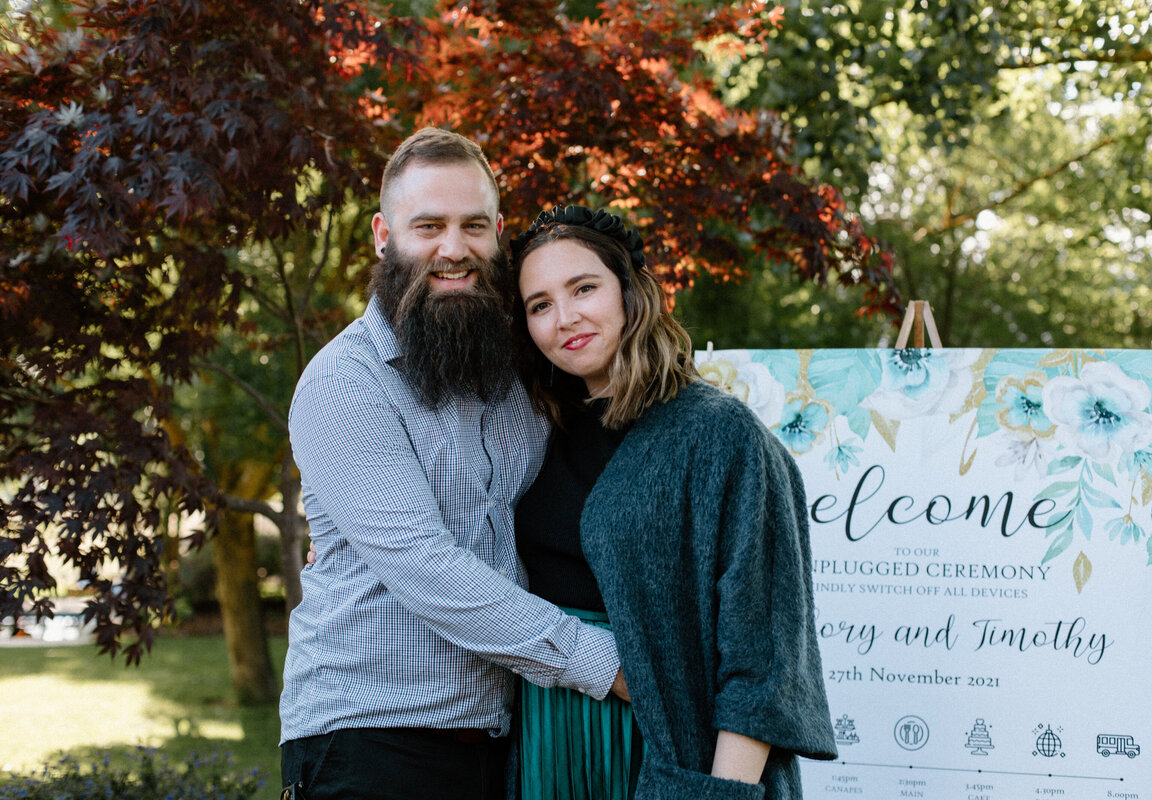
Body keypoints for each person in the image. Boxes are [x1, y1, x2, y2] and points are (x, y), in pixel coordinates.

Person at [279, 131, 625, 800]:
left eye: (473, 226)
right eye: (428, 226)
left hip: (507, 744)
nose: (453, 248)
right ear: (384, 235)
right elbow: (424, 564)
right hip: (370, 745)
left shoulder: (518, 374)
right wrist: (603, 662)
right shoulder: (345, 384)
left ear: (498, 232)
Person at [509, 205, 837, 799]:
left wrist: (715, 795)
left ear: (633, 294)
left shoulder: (718, 433)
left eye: (584, 288)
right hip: (546, 747)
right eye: (539, 305)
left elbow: (762, 663)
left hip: (666, 755)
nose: (565, 318)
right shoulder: (534, 433)